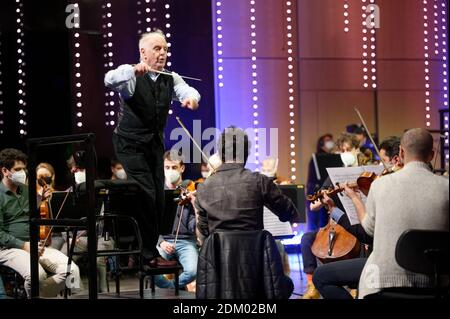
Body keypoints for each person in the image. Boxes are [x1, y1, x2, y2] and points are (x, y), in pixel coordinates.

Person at [104, 30, 200, 263]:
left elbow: (188, 90)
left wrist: (191, 99)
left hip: (153, 145)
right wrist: (131, 70)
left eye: (165, 49)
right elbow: (109, 78)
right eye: (157, 49)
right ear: (143, 52)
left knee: (159, 196)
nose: (163, 53)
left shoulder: (169, 77)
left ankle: (152, 244)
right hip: (129, 144)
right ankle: (146, 253)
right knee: (146, 192)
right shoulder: (130, 76)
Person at [355, 128, 448, 298]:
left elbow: (369, 230)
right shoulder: (447, 188)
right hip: (437, 283)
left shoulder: (380, 185)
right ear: (431, 155)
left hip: (386, 284)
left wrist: (355, 198)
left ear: (401, 152)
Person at [311, 136, 402, 299]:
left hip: (386, 264)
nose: (382, 170)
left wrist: (349, 201)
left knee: (321, 276)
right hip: (417, 267)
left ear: (397, 159)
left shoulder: (388, 188)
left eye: (384, 163)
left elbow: (367, 234)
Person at [194, 127, 300, 245]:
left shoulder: (203, 188)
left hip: (218, 260)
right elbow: (290, 213)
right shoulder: (260, 181)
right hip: (254, 258)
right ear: (246, 153)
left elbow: (203, 234)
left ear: (221, 154)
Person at [0, 148, 81, 298]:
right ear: (5, 170)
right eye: (17, 169)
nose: (22, 173)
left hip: (34, 244)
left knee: (73, 272)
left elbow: (32, 216)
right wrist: (24, 245)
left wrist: (42, 200)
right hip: (9, 248)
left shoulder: (26, 190)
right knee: (37, 275)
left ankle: (37, 295)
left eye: (24, 169)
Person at [154, 151, 198, 290]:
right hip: (163, 240)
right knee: (151, 270)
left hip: (186, 241)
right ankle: (173, 288)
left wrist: (194, 204)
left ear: (182, 168)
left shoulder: (190, 190)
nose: (170, 171)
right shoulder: (158, 192)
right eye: (167, 168)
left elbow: (193, 227)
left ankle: (171, 288)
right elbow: (152, 224)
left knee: (193, 271)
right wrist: (161, 242)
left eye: (174, 167)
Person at [305, 133, 334, 232]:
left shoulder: (332, 157)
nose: (330, 142)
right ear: (321, 143)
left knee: (324, 222)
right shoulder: (317, 157)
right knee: (316, 223)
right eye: (327, 140)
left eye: (331, 140)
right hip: (315, 190)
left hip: (324, 191)